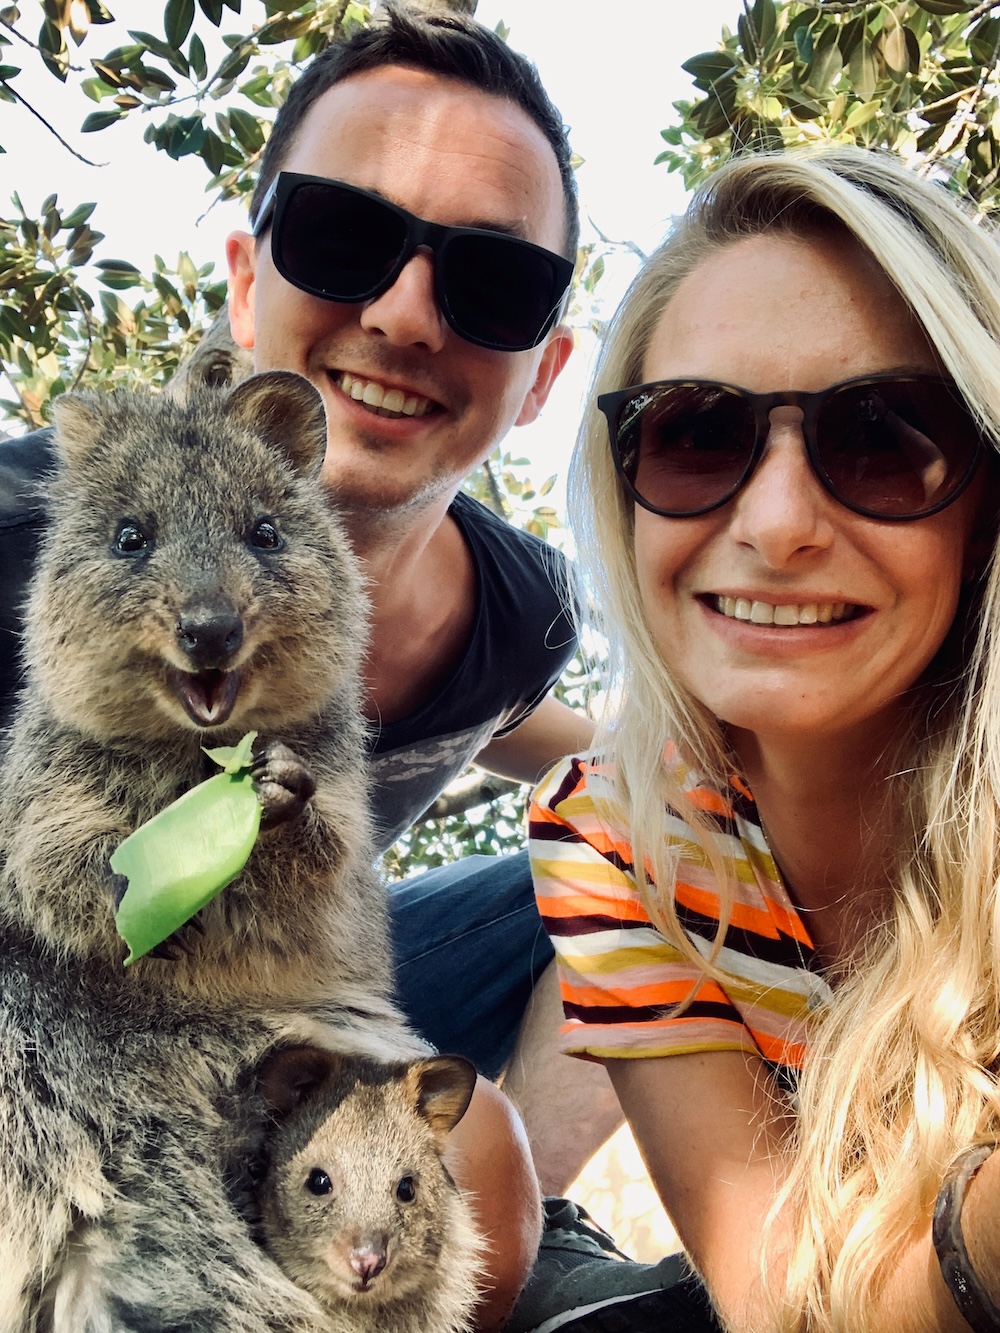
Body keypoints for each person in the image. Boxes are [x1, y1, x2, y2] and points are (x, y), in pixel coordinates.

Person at [0, 6, 638, 1328]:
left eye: (489, 282)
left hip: (317, 976)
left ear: (541, 377)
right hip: (72, 1008)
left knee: (666, 826)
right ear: (246, 281)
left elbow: (544, 732)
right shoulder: (39, 544)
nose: (404, 315)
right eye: (344, 238)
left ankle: (532, 1251)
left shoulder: (514, 615)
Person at [530, 145, 1000, 1332]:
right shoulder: (610, 836)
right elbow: (779, 1304)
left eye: (884, 438)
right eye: (695, 435)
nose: (779, 523)